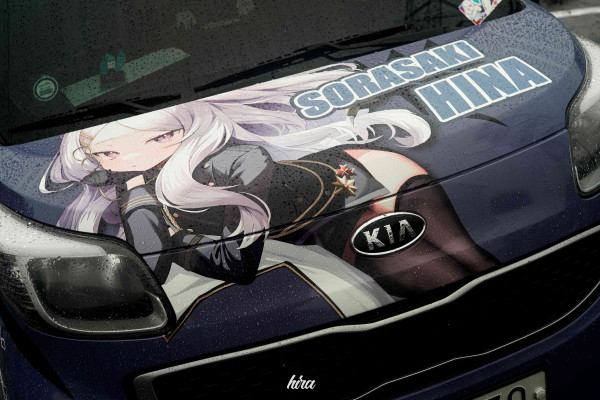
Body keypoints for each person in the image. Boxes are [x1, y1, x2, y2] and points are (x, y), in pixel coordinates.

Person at [41, 64, 497, 297]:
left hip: (370, 177)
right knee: (430, 278)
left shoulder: (240, 160)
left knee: (471, 269)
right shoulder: (136, 186)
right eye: (107, 153)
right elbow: (154, 264)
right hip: (326, 220)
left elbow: (236, 262)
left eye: (161, 136)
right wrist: (136, 192)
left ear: (182, 130)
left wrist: (150, 207)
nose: (128, 158)